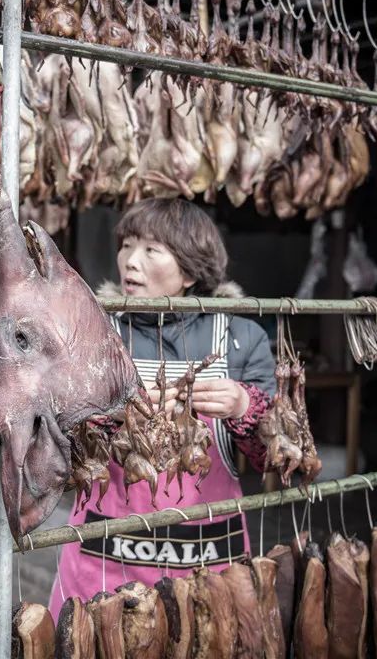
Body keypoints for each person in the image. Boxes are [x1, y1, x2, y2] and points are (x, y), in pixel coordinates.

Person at [50, 198, 275, 618]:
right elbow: (52, 434)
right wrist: (108, 412)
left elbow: (270, 456)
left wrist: (243, 405)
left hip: (207, 561)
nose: (130, 261)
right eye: (127, 245)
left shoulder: (241, 337)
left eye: (151, 250)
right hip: (102, 558)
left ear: (190, 271)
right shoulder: (94, 330)